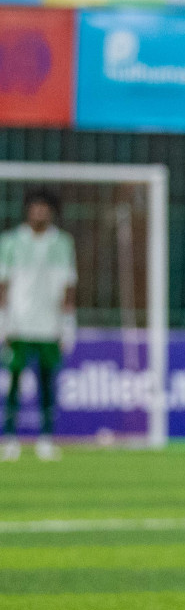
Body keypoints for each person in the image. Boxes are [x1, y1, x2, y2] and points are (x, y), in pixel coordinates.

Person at [1, 189, 77, 463]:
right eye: (36, 208)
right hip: (19, 324)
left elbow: (69, 286)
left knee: (47, 382)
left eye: (45, 208)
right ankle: (9, 438)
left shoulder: (63, 243)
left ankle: (46, 439)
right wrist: (2, 320)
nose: (40, 213)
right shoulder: (10, 242)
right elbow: (3, 283)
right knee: (14, 382)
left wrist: (68, 323)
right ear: (27, 210)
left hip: (49, 325)